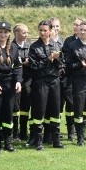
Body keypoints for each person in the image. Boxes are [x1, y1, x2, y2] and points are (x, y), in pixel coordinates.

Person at [0, 21, 22, 153]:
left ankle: (8, 142)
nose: (2, 34)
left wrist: (18, 81)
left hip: (10, 84)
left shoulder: (13, 47)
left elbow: (18, 66)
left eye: (5, 32)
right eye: (0, 31)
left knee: (8, 113)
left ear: (9, 33)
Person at [27, 20, 62, 150]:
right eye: (40, 30)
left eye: (45, 30)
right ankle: (38, 141)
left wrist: (57, 59)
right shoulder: (34, 47)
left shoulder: (56, 45)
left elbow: (61, 65)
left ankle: (56, 140)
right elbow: (34, 66)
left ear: (50, 31)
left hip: (54, 81)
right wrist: (49, 59)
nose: (42, 32)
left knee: (55, 110)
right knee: (39, 111)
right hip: (40, 81)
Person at [12, 23, 32, 141]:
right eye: (24, 32)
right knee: (15, 107)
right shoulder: (11, 46)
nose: (26, 35)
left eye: (27, 32)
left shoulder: (29, 46)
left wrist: (29, 62)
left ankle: (24, 132)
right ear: (16, 33)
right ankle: (15, 133)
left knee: (25, 106)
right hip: (15, 80)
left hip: (27, 79)